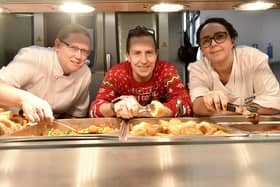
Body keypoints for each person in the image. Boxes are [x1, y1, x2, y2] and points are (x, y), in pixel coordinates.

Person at [89, 25, 192, 119]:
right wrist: (114, 107)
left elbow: (186, 105)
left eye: (149, 53)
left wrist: (145, 111)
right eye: (137, 53)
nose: (144, 60)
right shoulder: (116, 74)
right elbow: (94, 110)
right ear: (128, 56)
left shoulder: (166, 71)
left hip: (160, 133)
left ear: (156, 54)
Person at [188, 17, 280, 116]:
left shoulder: (253, 58)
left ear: (232, 41)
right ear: (201, 49)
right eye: (206, 41)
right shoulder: (197, 68)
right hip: (215, 128)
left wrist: (236, 109)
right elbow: (197, 106)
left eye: (220, 36)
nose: (213, 44)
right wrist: (205, 101)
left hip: (255, 126)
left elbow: (274, 103)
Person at [0, 24, 92, 122]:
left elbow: (76, 116)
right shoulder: (34, 57)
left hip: (49, 128)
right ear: (58, 45)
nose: (79, 56)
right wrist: (24, 98)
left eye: (84, 51)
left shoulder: (84, 73)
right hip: (10, 123)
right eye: (73, 48)